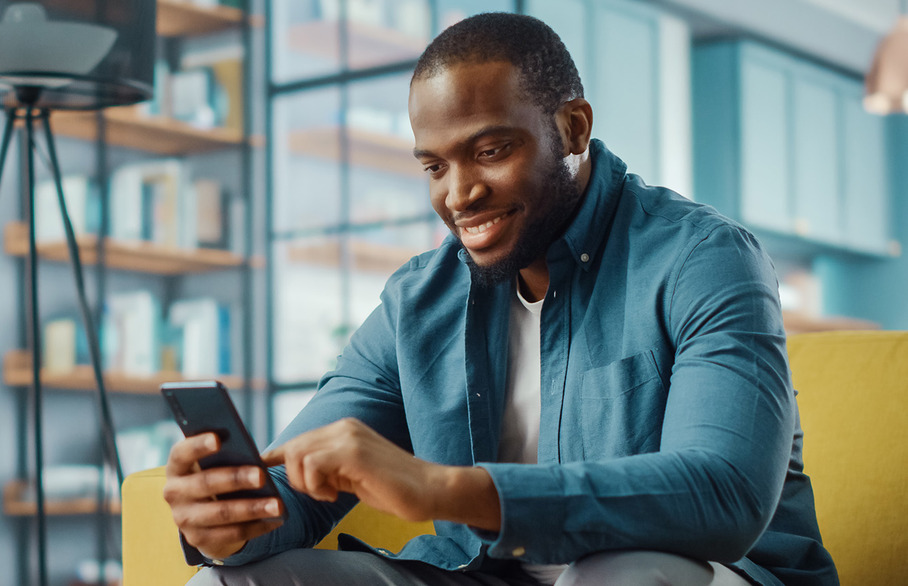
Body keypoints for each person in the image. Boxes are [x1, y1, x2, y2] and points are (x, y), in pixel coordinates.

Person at [164, 12, 838, 586]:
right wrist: (229, 521)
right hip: (476, 575)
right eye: (434, 166)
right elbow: (297, 489)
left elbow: (722, 494)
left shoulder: (706, 258)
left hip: (704, 573)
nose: (458, 194)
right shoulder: (417, 300)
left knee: (623, 574)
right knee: (230, 580)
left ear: (572, 129)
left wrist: (441, 488)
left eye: (489, 150)